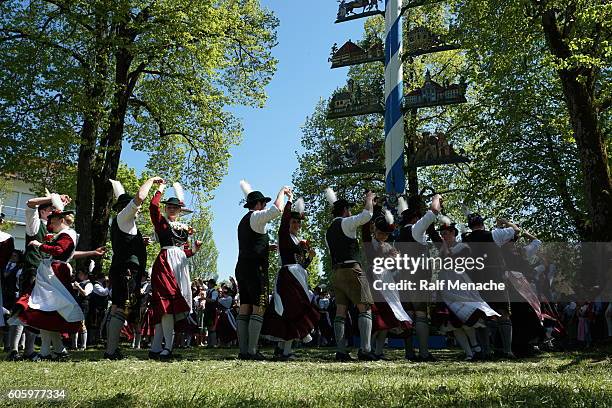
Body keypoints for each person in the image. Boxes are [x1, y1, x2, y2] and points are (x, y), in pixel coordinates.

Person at [12, 198, 104, 360]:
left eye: (53, 221)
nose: (50, 224)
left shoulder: (65, 234)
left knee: (47, 309)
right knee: (50, 312)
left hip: (54, 275)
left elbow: (60, 250)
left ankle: (47, 351)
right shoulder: (66, 234)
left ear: (61, 220)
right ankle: (56, 350)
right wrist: (92, 252)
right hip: (54, 273)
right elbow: (67, 253)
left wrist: (39, 245)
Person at [105, 177, 159, 360]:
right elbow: (139, 198)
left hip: (122, 269)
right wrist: (151, 181)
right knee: (121, 308)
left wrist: (138, 242)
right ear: (125, 207)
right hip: (127, 271)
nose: (138, 210)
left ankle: (111, 349)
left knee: (116, 308)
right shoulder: (124, 216)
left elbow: (126, 242)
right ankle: (111, 351)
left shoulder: (124, 222)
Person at [147, 181, 202, 361]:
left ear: (179, 210)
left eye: (175, 207)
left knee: (168, 307)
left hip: (180, 266)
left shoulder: (183, 228)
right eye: (169, 206)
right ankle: (167, 347)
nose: (171, 209)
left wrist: (194, 250)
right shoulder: (161, 223)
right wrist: (160, 189)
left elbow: (183, 252)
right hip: (165, 264)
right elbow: (153, 206)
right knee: (166, 306)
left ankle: (156, 347)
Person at [261, 194, 320, 360]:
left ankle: (281, 349)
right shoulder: (284, 235)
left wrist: (310, 257)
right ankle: (286, 351)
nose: (296, 224)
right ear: (288, 223)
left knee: (292, 310)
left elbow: (302, 264)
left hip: (298, 277)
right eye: (293, 222)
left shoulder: (298, 240)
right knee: (290, 310)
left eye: (298, 222)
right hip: (288, 277)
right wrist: (289, 201)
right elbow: (284, 219)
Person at [235, 181, 289, 360]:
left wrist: (266, 247)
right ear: (258, 204)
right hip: (255, 269)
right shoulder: (256, 216)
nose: (265, 205)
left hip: (242, 268)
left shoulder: (243, 221)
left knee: (245, 307)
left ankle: (243, 351)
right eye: (263, 203)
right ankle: (252, 350)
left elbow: (251, 244)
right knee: (258, 307)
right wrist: (281, 191)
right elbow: (276, 210)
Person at [324, 188, 375, 361]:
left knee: (340, 311)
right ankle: (366, 350)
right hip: (352, 270)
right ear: (345, 210)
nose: (351, 212)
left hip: (336, 273)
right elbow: (367, 214)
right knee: (365, 308)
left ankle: (341, 351)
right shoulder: (346, 223)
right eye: (349, 209)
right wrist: (369, 198)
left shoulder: (328, 231)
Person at [437, 222, 500, 360]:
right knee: (454, 323)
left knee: (467, 320)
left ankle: (476, 347)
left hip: (461, 284)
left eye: (445, 233)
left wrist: (445, 249)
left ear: (453, 233)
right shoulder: (443, 248)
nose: (443, 236)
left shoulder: (463, 247)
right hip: (446, 286)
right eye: (442, 234)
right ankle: (469, 353)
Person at [5, 194, 56, 361]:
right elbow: (30, 203)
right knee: (23, 309)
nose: (53, 214)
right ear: (42, 212)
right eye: (50, 210)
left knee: (35, 311)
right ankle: (13, 350)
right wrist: (52, 197)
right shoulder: (34, 225)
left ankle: (28, 351)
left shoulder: (52, 231)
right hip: (32, 270)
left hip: (43, 274)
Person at [462, 210, 518, 359]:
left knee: (482, 316)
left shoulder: (465, 240)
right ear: (482, 223)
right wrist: (505, 222)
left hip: (475, 280)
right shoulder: (493, 235)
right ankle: (507, 351)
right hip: (495, 278)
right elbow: (516, 230)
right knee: (503, 314)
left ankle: (486, 351)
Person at [396, 195, 443, 361]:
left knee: (408, 315)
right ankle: (424, 353)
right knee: (421, 313)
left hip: (403, 277)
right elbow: (434, 212)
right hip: (418, 276)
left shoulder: (400, 234)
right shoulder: (415, 229)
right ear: (415, 218)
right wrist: (437, 198)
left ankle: (409, 353)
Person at [361, 206, 412, 360]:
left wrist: (396, 259)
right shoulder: (369, 242)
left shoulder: (390, 247)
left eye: (385, 234)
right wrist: (370, 207)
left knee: (387, 320)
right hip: (373, 280)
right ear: (374, 230)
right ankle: (366, 349)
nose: (383, 236)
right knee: (376, 319)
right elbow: (364, 230)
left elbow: (395, 265)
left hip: (388, 282)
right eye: (380, 233)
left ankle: (378, 352)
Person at [71, 268, 94, 350]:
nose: (78, 275)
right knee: (74, 325)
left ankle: (83, 346)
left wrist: (78, 287)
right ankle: (74, 346)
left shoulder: (89, 284)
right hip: (76, 305)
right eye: (79, 274)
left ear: (85, 275)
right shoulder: (79, 283)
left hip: (83, 306)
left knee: (82, 324)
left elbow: (85, 293)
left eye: (81, 274)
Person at [203, 279, 219, 348]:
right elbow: (203, 285)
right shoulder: (209, 291)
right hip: (208, 311)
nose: (208, 284)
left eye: (209, 283)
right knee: (209, 327)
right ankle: (209, 344)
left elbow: (213, 300)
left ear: (212, 284)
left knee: (212, 327)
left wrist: (204, 298)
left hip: (212, 311)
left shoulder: (214, 292)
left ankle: (212, 343)